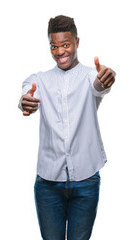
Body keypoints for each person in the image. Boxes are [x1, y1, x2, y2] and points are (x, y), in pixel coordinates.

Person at [19, 15, 116, 240]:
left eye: (66, 45)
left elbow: (100, 85)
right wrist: (25, 101)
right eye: (54, 46)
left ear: (77, 43)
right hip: (48, 184)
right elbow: (26, 94)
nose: (60, 51)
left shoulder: (90, 76)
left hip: (86, 181)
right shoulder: (39, 79)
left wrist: (106, 78)